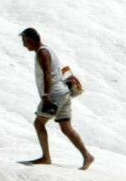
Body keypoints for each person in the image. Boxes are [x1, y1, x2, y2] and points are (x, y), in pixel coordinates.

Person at [21, 27, 93, 170]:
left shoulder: (42, 53)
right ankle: (87, 156)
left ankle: (46, 157)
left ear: (31, 40)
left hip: (54, 95)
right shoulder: (46, 50)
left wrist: (46, 96)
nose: (24, 45)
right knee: (66, 127)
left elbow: (48, 74)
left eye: (25, 42)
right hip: (63, 93)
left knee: (38, 123)